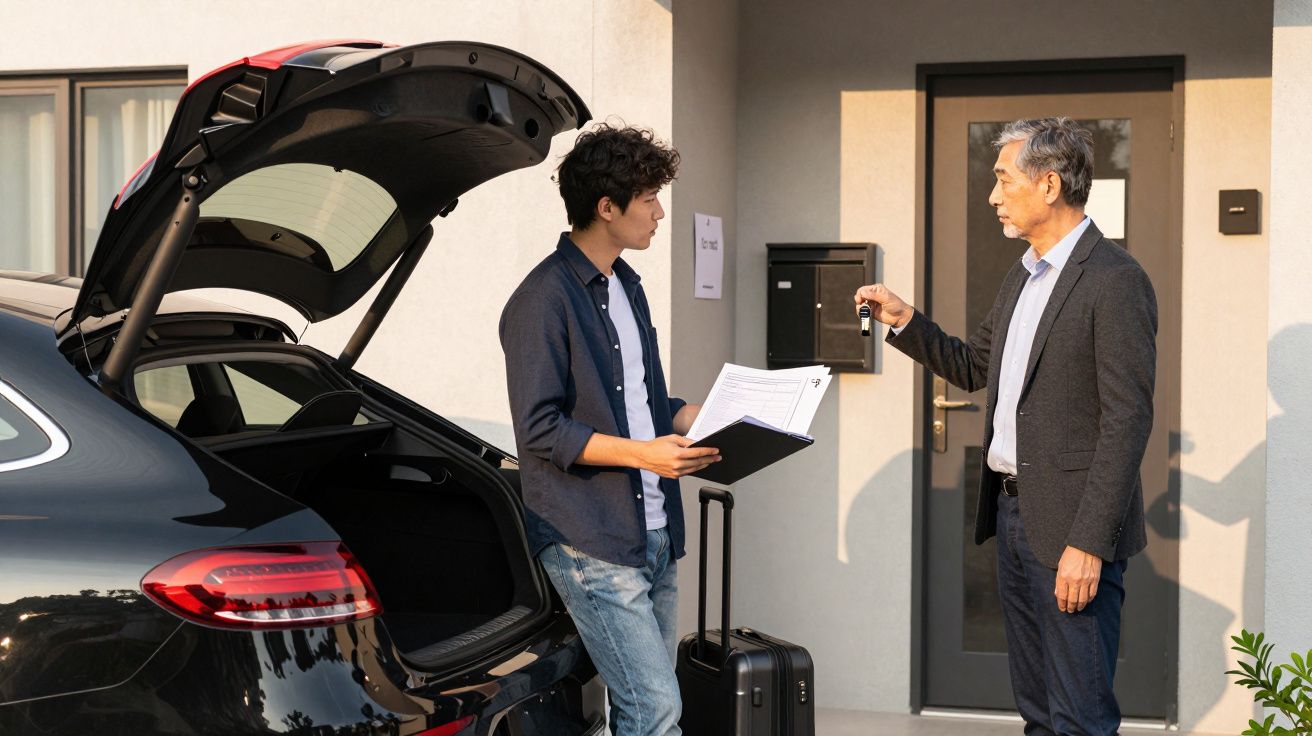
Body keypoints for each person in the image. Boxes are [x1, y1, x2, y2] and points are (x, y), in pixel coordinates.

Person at [855, 117, 1156, 735]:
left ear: (1049, 185)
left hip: (1073, 533)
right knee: (1040, 714)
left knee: (1080, 718)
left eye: (1002, 180)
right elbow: (975, 367)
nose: (992, 196)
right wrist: (903, 318)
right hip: (1016, 519)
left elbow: (1127, 422)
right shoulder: (1024, 273)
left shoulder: (1116, 280)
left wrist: (1089, 544)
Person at [499, 123, 719, 736]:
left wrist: (694, 417)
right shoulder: (541, 299)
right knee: (656, 712)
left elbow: (643, 398)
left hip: (653, 532)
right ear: (606, 207)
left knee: (643, 709)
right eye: (649, 198)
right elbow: (540, 429)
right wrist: (646, 456)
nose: (660, 212)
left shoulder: (628, 287)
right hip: (587, 536)